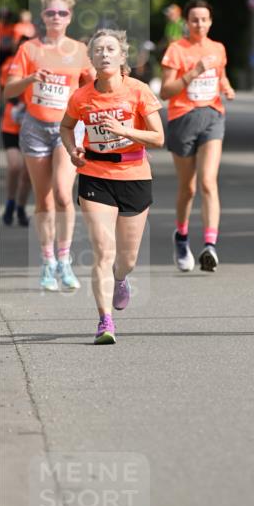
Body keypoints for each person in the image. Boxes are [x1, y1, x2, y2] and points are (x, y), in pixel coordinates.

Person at [60, 29, 164, 344]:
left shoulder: (139, 90)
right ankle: (105, 321)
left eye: (110, 49)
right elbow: (66, 126)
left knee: (127, 259)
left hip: (133, 175)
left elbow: (158, 138)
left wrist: (125, 129)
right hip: (95, 175)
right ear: (91, 58)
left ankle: (121, 278)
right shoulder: (81, 96)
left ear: (122, 57)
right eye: (98, 50)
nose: (104, 54)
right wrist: (72, 149)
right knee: (103, 251)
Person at [4, 0, 94, 291]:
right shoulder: (29, 49)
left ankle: (65, 259)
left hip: (67, 128)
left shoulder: (80, 50)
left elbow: (91, 86)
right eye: (51, 13)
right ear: (43, 16)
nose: (56, 17)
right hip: (34, 128)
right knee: (43, 199)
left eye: (62, 13)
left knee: (63, 195)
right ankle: (47, 262)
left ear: (70, 17)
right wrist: (31, 79)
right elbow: (7, 91)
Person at [160, 0, 235, 273]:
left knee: (207, 182)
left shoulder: (218, 48)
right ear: (186, 23)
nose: (199, 24)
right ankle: (181, 236)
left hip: (212, 117)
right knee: (188, 188)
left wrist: (226, 87)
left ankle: (210, 246)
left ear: (210, 22)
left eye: (204, 19)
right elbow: (166, 91)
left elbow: (221, 75)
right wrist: (194, 73)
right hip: (182, 119)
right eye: (194, 20)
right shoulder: (176, 50)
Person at [0, 38, 31, 226]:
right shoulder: (8, 66)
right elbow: (6, 92)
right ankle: (10, 201)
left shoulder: (41, 65)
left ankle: (20, 207)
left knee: (27, 174)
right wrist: (17, 105)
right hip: (12, 125)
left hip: (33, 128)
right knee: (14, 166)